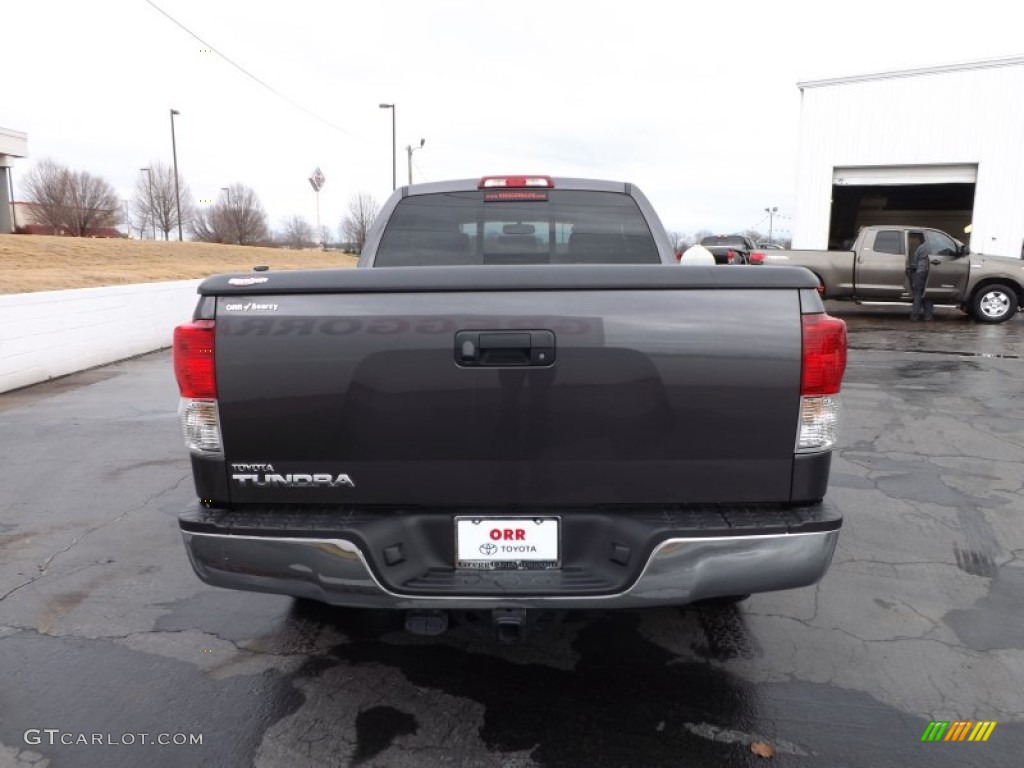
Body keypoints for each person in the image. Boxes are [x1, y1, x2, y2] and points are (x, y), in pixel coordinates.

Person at [908, 235, 934, 321]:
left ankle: (915, 316)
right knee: (929, 294)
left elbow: (915, 261)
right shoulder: (934, 247)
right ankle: (928, 316)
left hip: (920, 271)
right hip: (932, 272)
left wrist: (912, 270)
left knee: (918, 293)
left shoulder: (921, 247)